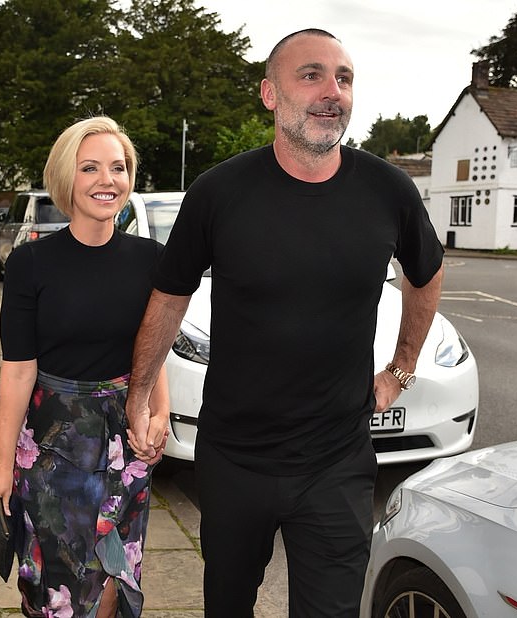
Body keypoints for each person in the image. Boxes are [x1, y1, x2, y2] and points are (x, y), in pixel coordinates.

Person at [125, 28, 444, 618]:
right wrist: (140, 391)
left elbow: (425, 274)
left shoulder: (388, 190)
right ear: (270, 94)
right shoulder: (219, 192)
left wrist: (400, 368)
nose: (333, 92)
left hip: (338, 461)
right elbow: (171, 295)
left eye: (344, 79)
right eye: (312, 75)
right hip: (235, 458)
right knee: (228, 603)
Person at [0, 116, 169, 618]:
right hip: (52, 444)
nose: (107, 180)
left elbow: (154, 351)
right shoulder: (31, 264)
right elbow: (18, 371)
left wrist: (157, 412)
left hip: (125, 441)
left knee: (116, 575)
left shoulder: (152, 260)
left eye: (118, 167)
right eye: (91, 168)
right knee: (56, 587)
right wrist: (0, 466)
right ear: (67, 178)